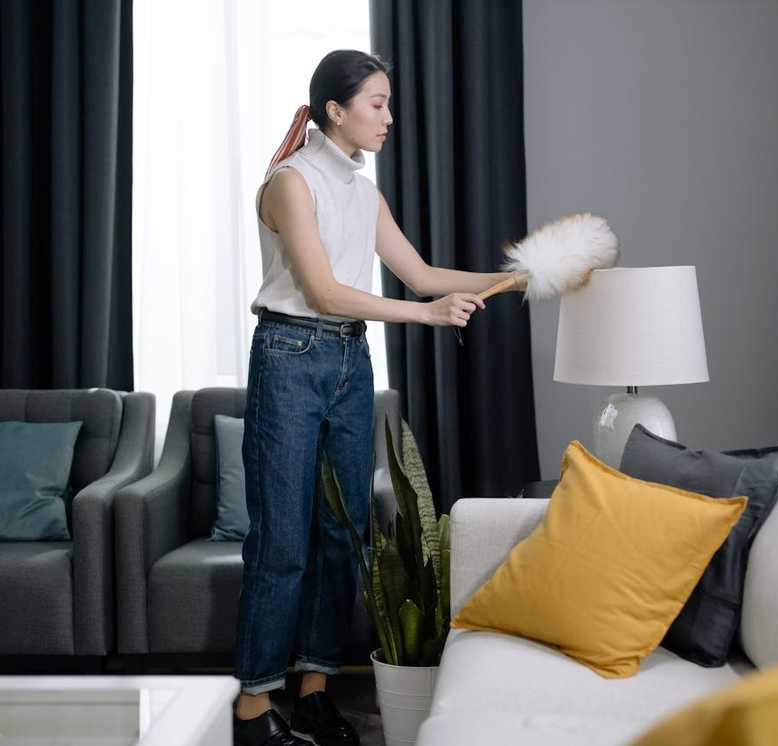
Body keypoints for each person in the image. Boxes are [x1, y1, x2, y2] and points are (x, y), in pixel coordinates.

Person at [233, 50, 525, 746]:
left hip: (348, 361)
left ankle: (312, 695)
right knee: (281, 541)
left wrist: (513, 279)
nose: (389, 118)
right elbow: (324, 292)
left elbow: (420, 272)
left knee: (342, 536)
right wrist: (429, 316)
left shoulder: (363, 193)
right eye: (377, 104)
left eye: (388, 104)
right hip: (291, 356)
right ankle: (251, 711)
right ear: (335, 110)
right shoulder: (290, 182)